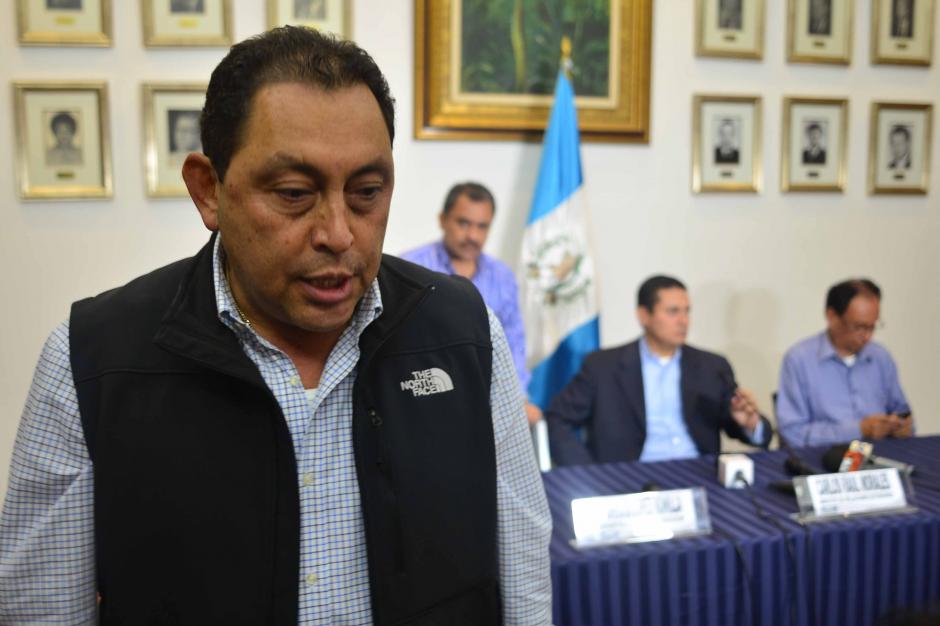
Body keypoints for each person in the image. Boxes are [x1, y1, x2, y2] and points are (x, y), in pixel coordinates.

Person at [0, 27, 551, 625]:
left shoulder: (464, 333)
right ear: (208, 190)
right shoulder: (94, 360)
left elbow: (521, 577)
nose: (338, 234)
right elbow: (44, 608)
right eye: (294, 193)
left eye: (366, 192)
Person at [545, 275, 772, 467]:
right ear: (644, 315)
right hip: (629, 477)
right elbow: (557, 419)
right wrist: (586, 472)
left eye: (687, 311)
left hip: (699, 474)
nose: (683, 321)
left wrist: (749, 423)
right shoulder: (603, 366)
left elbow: (748, 431)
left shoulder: (712, 366)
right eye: (673, 312)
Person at [401, 182, 542, 425]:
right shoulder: (409, 269)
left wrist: (516, 399)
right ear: (443, 219)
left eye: (482, 226)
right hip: (424, 397)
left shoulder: (502, 277)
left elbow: (513, 345)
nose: (473, 236)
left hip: (487, 398)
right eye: (463, 223)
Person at [776, 279, 912, 447]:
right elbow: (793, 433)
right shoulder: (799, 359)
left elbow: (903, 412)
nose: (868, 336)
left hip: (881, 456)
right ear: (832, 316)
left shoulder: (880, 356)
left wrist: (902, 426)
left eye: (873, 326)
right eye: (859, 327)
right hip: (824, 460)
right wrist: (859, 430)